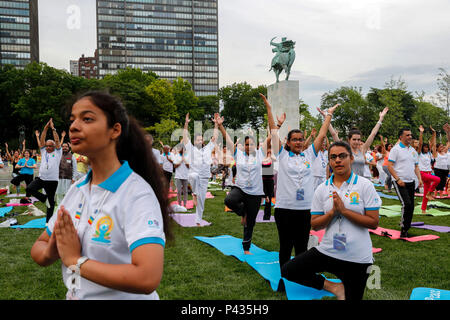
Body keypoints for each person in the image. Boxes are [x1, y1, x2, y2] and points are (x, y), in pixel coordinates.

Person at [30, 91, 171, 300]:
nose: (74, 126)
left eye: (87, 119)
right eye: (72, 119)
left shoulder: (136, 194)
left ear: (114, 130)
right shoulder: (77, 190)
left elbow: (147, 278)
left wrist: (75, 261)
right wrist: (53, 248)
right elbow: (39, 247)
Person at [281, 141, 380, 300]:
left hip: (357, 257)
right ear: (329, 161)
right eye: (333, 157)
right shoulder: (322, 188)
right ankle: (334, 287)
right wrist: (333, 213)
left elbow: (374, 222)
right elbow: (315, 224)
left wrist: (344, 211)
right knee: (289, 270)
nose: (338, 160)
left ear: (351, 158)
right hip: (328, 251)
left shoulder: (364, 185)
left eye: (342, 156)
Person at [260, 93, 339, 270]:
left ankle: (300, 278)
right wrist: (269, 108)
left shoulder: (310, 155)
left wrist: (329, 115)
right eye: (294, 139)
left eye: (300, 139)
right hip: (284, 209)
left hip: (305, 210)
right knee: (285, 248)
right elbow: (273, 131)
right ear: (287, 142)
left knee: (302, 247)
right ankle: (285, 278)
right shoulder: (283, 155)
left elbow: (321, 134)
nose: (298, 142)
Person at [218, 114, 269, 254]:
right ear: (244, 145)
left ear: (256, 145)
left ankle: (246, 247)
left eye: (251, 144)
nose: (249, 146)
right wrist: (221, 126)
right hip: (240, 188)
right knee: (229, 200)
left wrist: (277, 126)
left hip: (255, 193)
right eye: (247, 144)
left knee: (250, 222)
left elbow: (271, 138)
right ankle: (243, 212)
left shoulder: (260, 154)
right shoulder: (238, 154)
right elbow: (228, 140)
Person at [182, 113, 218, 226]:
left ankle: (198, 221)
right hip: (193, 175)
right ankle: (194, 193)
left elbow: (215, 137)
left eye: (201, 140)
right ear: (194, 141)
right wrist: (186, 123)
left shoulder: (207, 149)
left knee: (202, 201)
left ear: (203, 141)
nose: (199, 141)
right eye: (197, 140)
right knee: (194, 176)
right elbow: (184, 137)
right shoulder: (191, 149)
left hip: (204, 177)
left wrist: (216, 124)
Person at [388, 128, 423, 237]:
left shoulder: (413, 150)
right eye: (407, 135)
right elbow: (389, 166)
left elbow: (416, 166)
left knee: (411, 205)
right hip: (400, 181)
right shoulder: (396, 149)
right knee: (406, 204)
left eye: (410, 135)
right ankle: (403, 228)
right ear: (401, 137)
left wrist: (420, 179)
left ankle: (406, 228)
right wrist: (398, 179)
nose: (410, 137)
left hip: (411, 181)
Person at [27, 119, 62, 223]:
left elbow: (57, 140)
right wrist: (46, 128)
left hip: (52, 180)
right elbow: (42, 139)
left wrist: (53, 128)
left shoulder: (58, 152)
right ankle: (43, 198)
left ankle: (48, 222)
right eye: (46, 145)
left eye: (50, 146)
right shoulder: (43, 151)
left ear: (54, 146)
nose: (47, 147)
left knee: (51, 202)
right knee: (30, 188)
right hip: (42, 179)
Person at [346, 108, 389, 177]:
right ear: (349, 140)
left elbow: (373, 134)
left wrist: (380, 119)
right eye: (354, 139)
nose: (357, 142)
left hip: (360, 182)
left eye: (358, 139)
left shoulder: (362, 150)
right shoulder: (345, 150)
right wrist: (327, 117)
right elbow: (333, 135)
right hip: (348, 182)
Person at [417, 125, 440, 213]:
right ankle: (430, 192)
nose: (426, 148)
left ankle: (423, 209)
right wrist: (421, 133)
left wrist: (434, 133)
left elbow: (433, 144)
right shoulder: (420, 154)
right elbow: (420, 144)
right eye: (425, 147)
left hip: (429, 173)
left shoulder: (429, 154)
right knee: (438, 179)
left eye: (427, 147)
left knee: (425, 193)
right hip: (423, 173)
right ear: (423, 148)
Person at [55, 137, 78, 206]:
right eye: (63, 146)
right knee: (59, 193)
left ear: (68, 148)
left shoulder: (72, 156)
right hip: (59, 178)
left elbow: (75, 168)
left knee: (67, 194)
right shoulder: (58, 155)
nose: (64, 148)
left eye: (66, 146)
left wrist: (74, 178)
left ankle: (67, 207)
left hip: (68, 178)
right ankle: (59, 206)